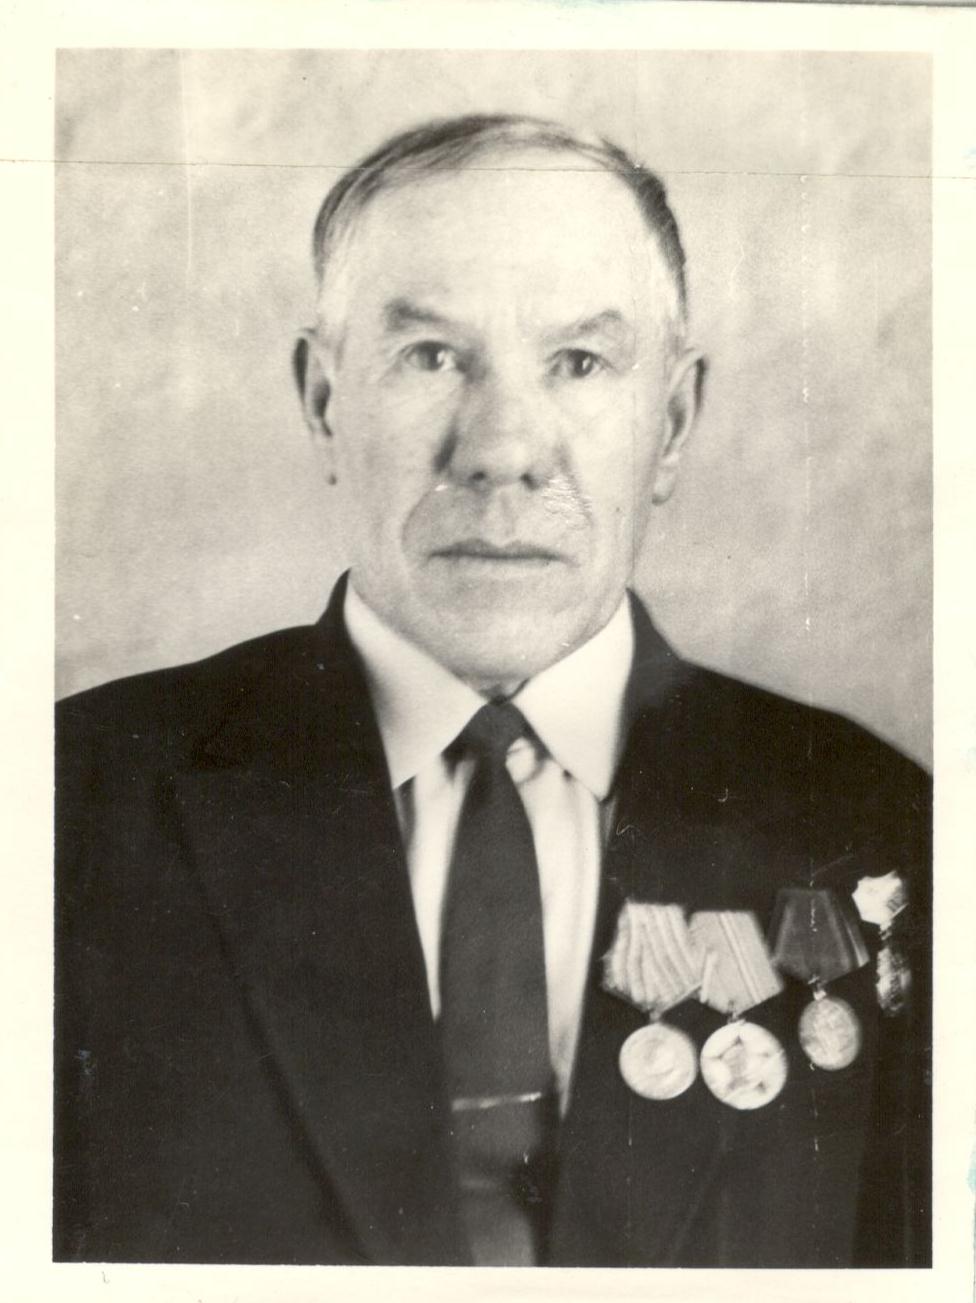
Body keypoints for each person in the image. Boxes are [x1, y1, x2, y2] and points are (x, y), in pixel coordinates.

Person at [54, 114, 931, 1268]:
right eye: (431, 356)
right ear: (322, 402)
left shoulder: (878, 823)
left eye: (579, 362)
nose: (502, 449)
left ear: (671, 424)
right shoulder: (69, 807)